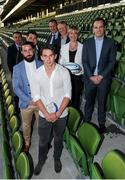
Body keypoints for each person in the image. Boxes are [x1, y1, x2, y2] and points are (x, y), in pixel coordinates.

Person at [33, 45, 71, 175]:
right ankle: (41, 160)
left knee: (58, 138)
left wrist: (58, 113)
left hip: (61, 114)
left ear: (55, 56)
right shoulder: (37, 73)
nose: (48, 59)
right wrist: (47, 114)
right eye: (45, 56)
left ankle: (57, 158)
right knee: (43, 140)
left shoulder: (64, 72)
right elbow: (36, 96)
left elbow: (67, 95)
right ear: (41, 57)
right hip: (44, 115)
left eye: (51, 56)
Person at [82, 18, 116, 133]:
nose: (98, 29)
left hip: (104, 79)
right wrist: (91, 76)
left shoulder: (110, 42)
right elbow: (84, 61)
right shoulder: (87, 43)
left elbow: (112, 62)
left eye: (101, 27)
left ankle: (101, 123)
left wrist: (101, 76)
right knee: (89, 102)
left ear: (104, 28)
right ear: (92, 29)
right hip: (90, 78)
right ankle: (87, 121)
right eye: (96, 27)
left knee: (102, 102)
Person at [12, 41, 42, 152]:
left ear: (33, 50)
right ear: (22, 52)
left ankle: (43, 142)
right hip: (26, 103)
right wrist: (28, 100)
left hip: (40, 102)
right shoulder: (17, 68)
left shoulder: (41, 64)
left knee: (42, 125)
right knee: (26, 125)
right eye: (25, 51)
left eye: (30, 50)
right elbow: (16, 88)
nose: (28, 53)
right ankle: (27, 142)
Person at [59, 25, 83, 111]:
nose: (73, 35)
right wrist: (66, 67)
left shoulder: (83, 47)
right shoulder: (64, 47)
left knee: (76, 96)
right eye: (71, 33)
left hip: (78, 76)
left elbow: (84, 63)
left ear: (78, 35)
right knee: (67, 95)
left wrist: (79, 69)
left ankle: (75, 112)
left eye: (75, 33)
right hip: (66, 75)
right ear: (68, 35)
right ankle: (67, 111)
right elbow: (61, 62)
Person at [7, 31, 23, 114]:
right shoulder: (10, 48)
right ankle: (17, 108)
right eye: (15, 37)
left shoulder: (25, 47)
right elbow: (9, 63)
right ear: (13, 38)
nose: (17, 39)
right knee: (17, 92)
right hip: (16, 75)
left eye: (19, 37)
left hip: (25, 75)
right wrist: (16, 74)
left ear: (21, 37)